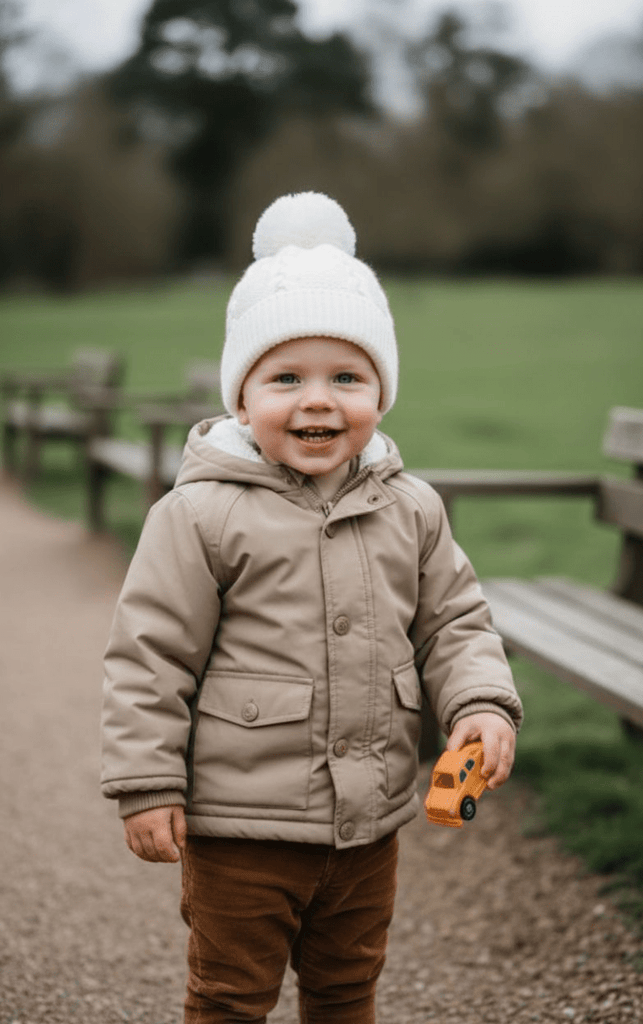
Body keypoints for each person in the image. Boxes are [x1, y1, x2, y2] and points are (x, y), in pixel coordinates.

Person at [101, 191, 523, 1024]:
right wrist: (147, 782)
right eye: (286, 378)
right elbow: (150, 654)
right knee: (230, 995)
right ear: (241, 397)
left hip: (368, 825)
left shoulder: (411, 508)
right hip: (241, 828)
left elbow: (453, 622)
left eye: (347, 378)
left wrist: (478, 700)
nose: (319, 400)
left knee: (346, 989)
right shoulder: (200, 514)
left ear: (381, 393)